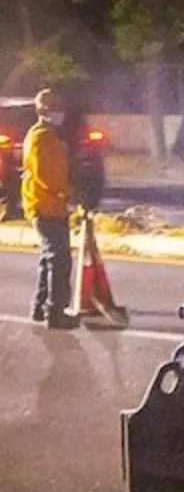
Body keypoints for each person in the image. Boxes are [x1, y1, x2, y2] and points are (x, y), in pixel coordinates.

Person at [22, 88, 78, 329]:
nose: (60, 112)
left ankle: (40, 306)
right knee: (59, 259)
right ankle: (55, 312)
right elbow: (47, 175)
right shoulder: (42, 136)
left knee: (48, 258)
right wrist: (66, 194)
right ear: (43, 110)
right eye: (55, 107)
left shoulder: (47, 135)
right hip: (47, 206)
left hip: (46, 204)